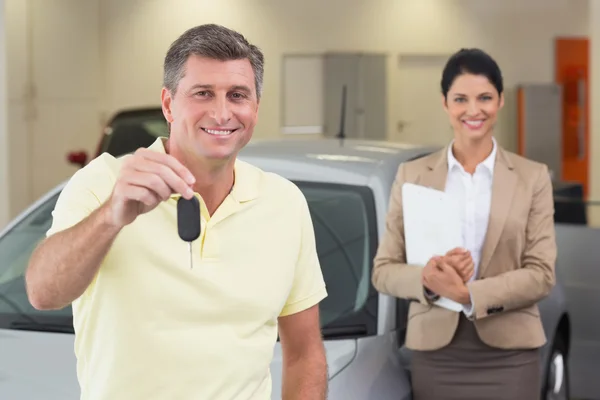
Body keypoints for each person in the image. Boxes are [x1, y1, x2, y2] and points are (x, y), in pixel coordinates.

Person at [25, 24, 328, 400]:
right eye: (203, 93)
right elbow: (43, 292)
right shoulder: (103, 182)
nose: (222, 113)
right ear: (168, 104)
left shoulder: (285, 202)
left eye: (237, 95)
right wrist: (112, 216)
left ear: (255, 108)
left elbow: (304, 352)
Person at [371, 48, 556, 400]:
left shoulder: (533, 178)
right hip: (437, 354)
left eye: (485, 97)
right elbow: (383, 271)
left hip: (511, 353)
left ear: (500, 100)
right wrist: (428, 278)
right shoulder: (413, 176)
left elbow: (541, 273)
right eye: (461, 99)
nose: (473, 110)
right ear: (445, 103)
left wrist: (467, 294)